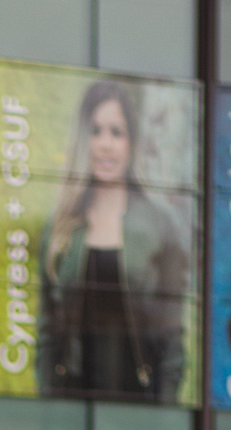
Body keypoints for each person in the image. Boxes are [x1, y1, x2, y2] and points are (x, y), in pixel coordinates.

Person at [37, 78, 188, 400]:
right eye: (95, 131)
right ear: (82, 140)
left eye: (116, 133)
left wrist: (166, 413)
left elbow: (172, 341)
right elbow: (46, 335)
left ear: (131, 143)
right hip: (70, 405)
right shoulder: (59, 226)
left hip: (140, 407)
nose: (105, 144)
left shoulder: (160, 225)